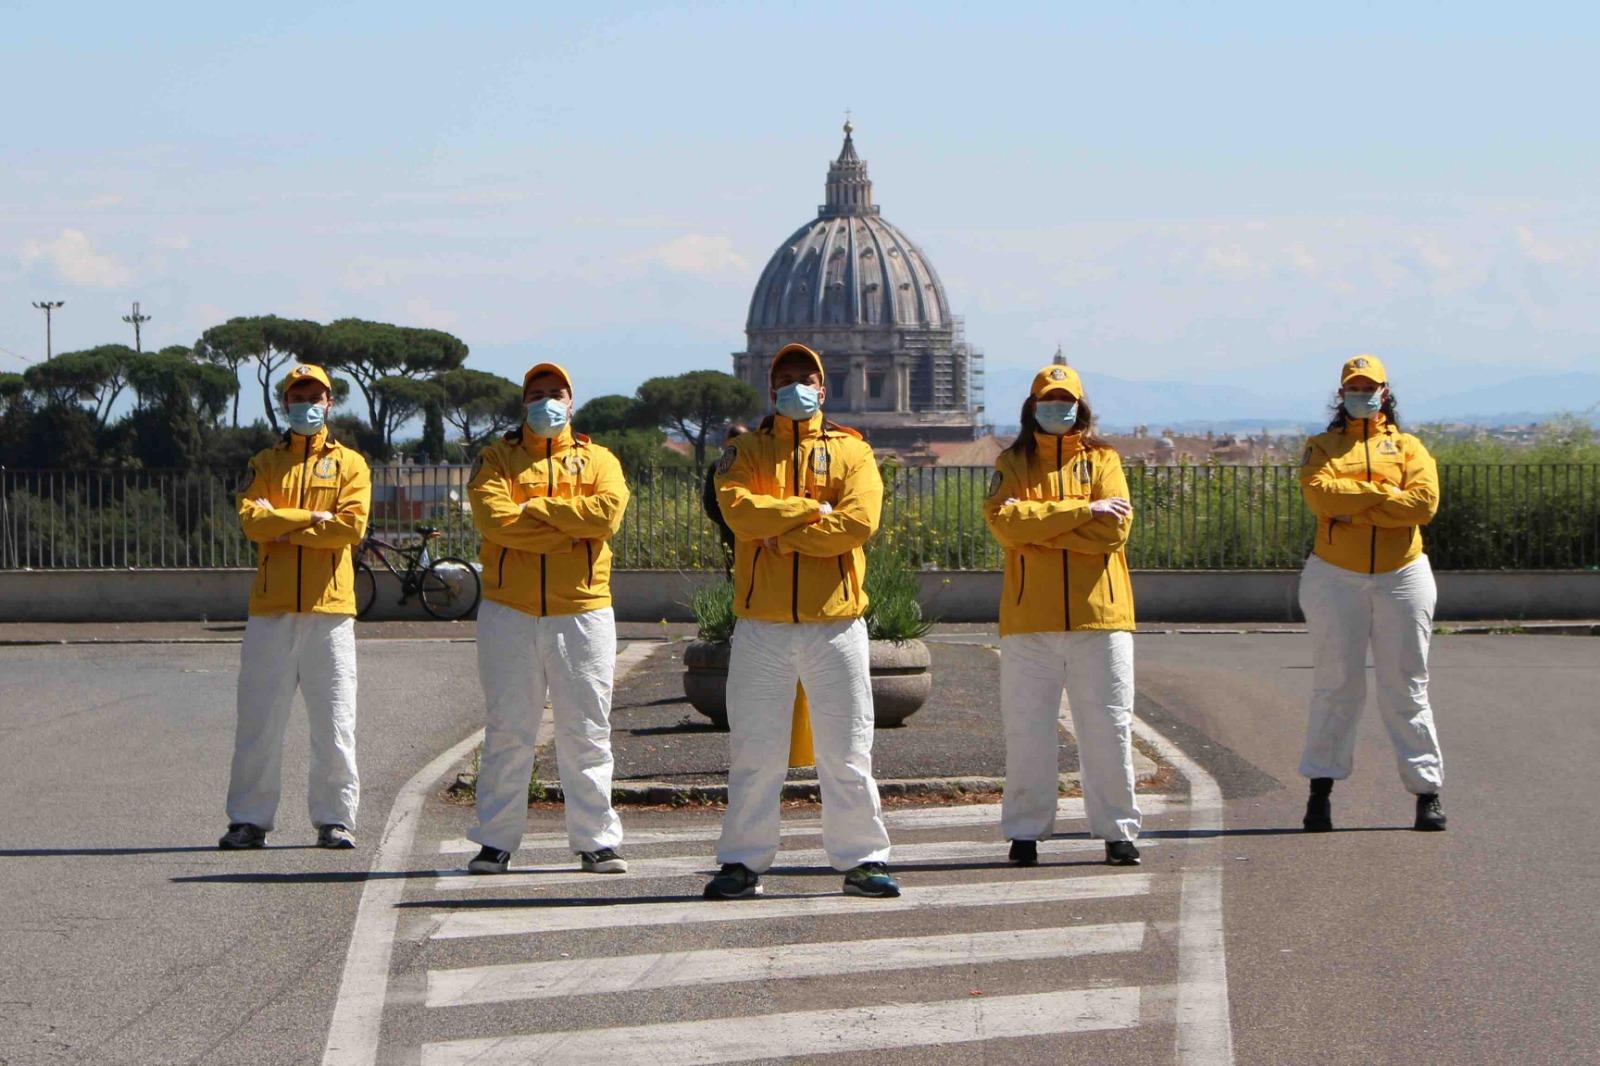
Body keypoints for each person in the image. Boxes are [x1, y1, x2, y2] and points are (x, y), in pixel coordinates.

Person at [704, 343, 897, 900]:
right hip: (762, 625)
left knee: (847, 748)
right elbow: (737, 512)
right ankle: (742, 861)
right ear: (770, 388)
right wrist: (814, 510)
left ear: (824, 385)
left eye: (804, 376)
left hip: (835, 623)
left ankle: (863, 859)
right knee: (754, 751)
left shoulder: (854, 452)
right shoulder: (743, 451)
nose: (795, 386)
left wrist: (777, 531)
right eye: (784, 377)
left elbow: (858, 523)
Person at [464, 361, 633, 875]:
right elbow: (496, 522)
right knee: (508, 730)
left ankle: (596, 840)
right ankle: (495, 842)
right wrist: (569, 524)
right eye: (536, 393)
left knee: (586, 729)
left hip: (581, 611)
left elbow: (607, 516)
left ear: (572, 401)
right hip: (508, 611)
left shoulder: (600, 459)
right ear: (523, 403)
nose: (545, 402)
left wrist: (534, 508)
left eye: (555, 392)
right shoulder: (495, 458)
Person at [983, 363, 1142, 867]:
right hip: (1030, 620)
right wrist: (1082, 512)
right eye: (1050, 399)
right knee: (1028, 729)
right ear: (1033, 407)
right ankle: (1025, 832)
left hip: (1103, 618)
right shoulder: (1012, 462)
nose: (1060, 407)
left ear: (1081, 405)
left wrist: (1041, 526)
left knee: (1109, 727)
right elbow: (1005, 526)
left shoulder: (1106, 459)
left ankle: (1118, 831)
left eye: (1067, 399)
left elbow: (1114, 532)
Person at [220, 364, 371, 850]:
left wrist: (280, 526)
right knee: (259, 722)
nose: (306, 402)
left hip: (330, 611)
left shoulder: (352, 464)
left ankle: (336, 819)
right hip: (271, 611)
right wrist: (309, 517)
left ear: (330, 402)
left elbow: (349, 529)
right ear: (285, 403)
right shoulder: (265, 463)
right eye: (297, 394)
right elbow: (250, 522)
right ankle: (248, 819)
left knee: (335, 722)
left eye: (316, 394)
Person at [1297, 354, 1446, 833]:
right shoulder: (1321, 446)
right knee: (1336, 684)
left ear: (1385, 391)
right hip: (1334, 575)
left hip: (1402, 574)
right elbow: (1320, 496)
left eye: (1370, 387)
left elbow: (1423, 504)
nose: (1362, 394)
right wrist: (1386, 495)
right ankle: (1320, 792)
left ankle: (1427, 793)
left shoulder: (1409, 446)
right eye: (1354, 387)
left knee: (1406, 685)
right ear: (1341, 394)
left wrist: (1356, 502)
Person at [702, 422, 748, 573]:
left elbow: (709, 503)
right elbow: (710, 502)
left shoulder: (719, 466)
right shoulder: (755, 464)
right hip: (751, 528)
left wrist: (725, 519)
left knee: (735, 573)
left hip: (734, 527)